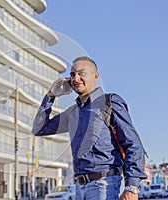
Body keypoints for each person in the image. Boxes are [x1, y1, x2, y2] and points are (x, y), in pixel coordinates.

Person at [32, 56, 147, 200]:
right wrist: (50, 96)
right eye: (73, 75)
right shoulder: (72, 113)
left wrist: (132, 186)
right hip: (79, 188)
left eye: (82, 73)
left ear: (96, 76)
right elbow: (39, 129)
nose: (76, 78)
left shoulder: (109, 103)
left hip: (105, 185)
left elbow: (133, 144)